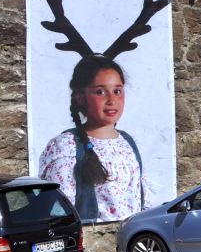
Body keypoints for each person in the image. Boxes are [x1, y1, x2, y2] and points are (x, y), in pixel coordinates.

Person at [39, 55, 149, 222]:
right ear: (81, 97)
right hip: (93, 244)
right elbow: (58, 214)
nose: (112, 100)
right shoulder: (66, 146)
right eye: (100, 92)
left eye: (117, 91)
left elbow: (143, 202)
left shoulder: (128, 143)